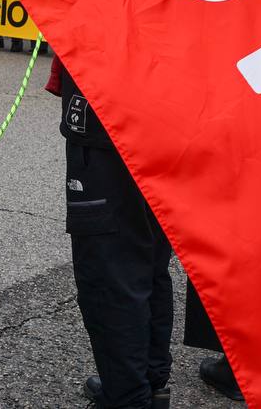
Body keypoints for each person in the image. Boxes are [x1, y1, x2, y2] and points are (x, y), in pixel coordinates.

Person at [54, 59, 173, 409]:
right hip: (166, 114)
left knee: (109, 273)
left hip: (110, 114)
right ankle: (147, 384)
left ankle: (128, 395)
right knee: (149, 260)